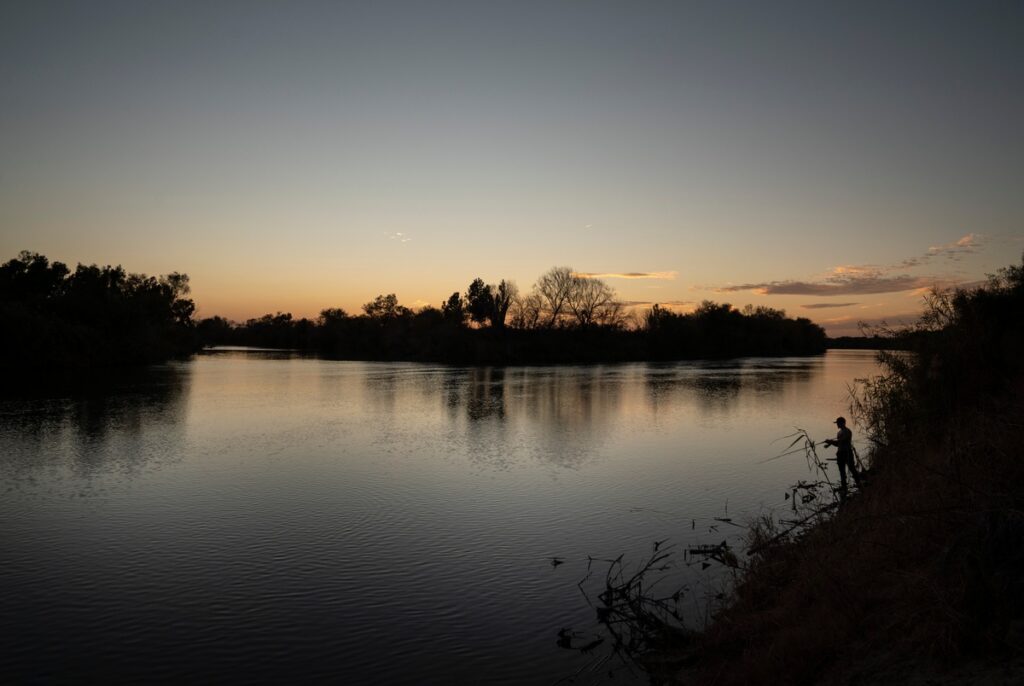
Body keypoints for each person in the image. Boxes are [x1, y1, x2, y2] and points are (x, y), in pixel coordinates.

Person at [824, 416, 861, 492]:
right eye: (837, 423)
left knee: (852, 469)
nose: (837, 424)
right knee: (842, 472)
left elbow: (842, 441)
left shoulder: (847, 431)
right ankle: (844, 488)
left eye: (838, 423)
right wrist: (829, 444)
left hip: (847, 453)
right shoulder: (839, 432)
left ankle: (860, 485)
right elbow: (838, 444)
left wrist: (830, 442)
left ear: (843, 423)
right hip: (840, 454)